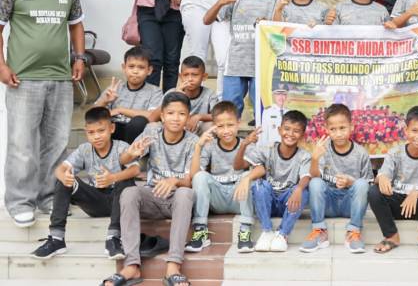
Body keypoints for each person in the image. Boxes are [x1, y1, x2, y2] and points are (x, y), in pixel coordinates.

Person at [0, 0, 85, 227]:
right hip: (23, 78)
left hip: (60, 77)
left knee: (57, 141)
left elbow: (76, 26)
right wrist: (2, 66)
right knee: (22, 143)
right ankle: (20, 201)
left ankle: (49, 197)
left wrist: (79, 58)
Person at [102, 92, 198, 286]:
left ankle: (173, 266)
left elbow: (192, 180)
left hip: (178, 200)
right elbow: (123, 160)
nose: (176, 118)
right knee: (129, 192)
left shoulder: (193, 141)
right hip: (153, 196)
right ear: (162, 116)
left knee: (185, 193)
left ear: (188, 117)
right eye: (170, 113)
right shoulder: (152, 131)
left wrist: (174, 181)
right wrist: (131, 154)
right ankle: (132, 266)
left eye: (181, 114)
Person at [31, 106, 139, 260]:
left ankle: (113, 238)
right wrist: (64, 177)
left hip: (120, 202)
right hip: (95, 201)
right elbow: (60, 169)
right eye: (91, 132)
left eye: (101, 131)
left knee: (126, 180)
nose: (96, 136)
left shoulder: (122, 147)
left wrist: (113, 178)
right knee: (65, 179)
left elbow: (135, 170)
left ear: (112, 128)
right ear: (86, 132)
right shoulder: (84, 150)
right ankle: (56, 239)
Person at [204, 0, 278, 120]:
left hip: (261, 65)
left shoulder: (275, 0)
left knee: (262, 111)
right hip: (235, 64)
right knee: (229, 111)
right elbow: (207, 20)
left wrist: (268, 24)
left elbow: (280, 32)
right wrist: (221, 2)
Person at [367, 106, 418, 256]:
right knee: (373, 192)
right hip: (397, 205)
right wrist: (381, 177)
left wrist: (416, 193)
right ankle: (391, 236)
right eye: (414, 130)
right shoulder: (395, 153)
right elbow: (383, 176)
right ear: (406, 130)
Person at [301, 104, 373, 254]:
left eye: (342, 128)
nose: (338, 133)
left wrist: (350, 182)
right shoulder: (323, 149)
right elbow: (314, 177)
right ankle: (319, 231)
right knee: (315, 182)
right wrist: (314, 159)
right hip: (329, 203)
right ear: (326, 129)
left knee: (361, 184)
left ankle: (353, 232)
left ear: (351, 127)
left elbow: (369, 185)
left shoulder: (361, 153)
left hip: (350, 205)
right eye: (333, 129)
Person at [236, 110, 311, 252]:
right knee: (259, 185)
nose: (290, 134)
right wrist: (244, 144)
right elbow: (238, 166)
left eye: (296, 131)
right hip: (267, 203)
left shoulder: (304, 155)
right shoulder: (268, 149)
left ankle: (283, 234)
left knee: (304, 190)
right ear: (279, 130)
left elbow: (306, 177)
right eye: (287, 129)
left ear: (302, 135)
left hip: (288, 203)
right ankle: (267, 231)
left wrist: (299, 189)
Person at [186, 101, 256, 253]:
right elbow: (194, 175)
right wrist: (198, 146)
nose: (226, 130)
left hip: (238, 198)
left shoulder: (247, 144)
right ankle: (200, 229)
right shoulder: (210, 145)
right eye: (220, 126)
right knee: (200, 176)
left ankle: (245, 230)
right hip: (216, 199)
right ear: (214, 127)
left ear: (238, 123)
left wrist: (247, 177)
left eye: (230, 125)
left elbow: (258, 170)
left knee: (248, 175)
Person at [94, 46, 164, 144]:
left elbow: (152, 115)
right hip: (114, 132)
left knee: (139, 122)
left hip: (137, 134)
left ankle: (131, 152)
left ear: (149, 70)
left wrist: (120, 110)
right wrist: (104, 101)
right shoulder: (115, 88)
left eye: (141, 67)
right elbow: (91, 115)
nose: (135, 71)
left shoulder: (155, 91)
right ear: (124, 68)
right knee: (102, 122)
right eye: (131, 66)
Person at [161, 56, 218, 135]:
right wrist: (175, 95)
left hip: (197, 131)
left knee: (212, 126)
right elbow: (159, 115)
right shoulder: (172, 92)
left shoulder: (209, 94)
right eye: (186, 75)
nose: (190, 79)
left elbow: (219, 115)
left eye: (195, 75)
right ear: (180, 77)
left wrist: (199, 116)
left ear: (204, 77)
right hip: (175, 128)